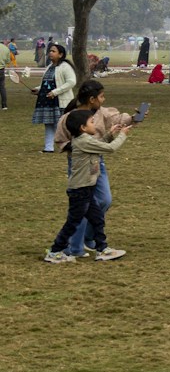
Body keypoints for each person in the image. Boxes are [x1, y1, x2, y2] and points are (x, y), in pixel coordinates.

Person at [45, 109, 129, 262]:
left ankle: (102, 249)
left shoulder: (84, 140)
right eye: (92, 122)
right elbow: (110, 148)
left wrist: (110, 134)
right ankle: (55, 251)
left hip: (86, 189)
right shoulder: (83, 141)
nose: (95, 125)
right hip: (80, 191)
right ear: (82, 128)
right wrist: (122, 134)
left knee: (97, 219)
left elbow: (99, 144)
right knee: (73, 223)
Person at [36, 43, 77, 153]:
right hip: (47, 101)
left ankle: (71, 145)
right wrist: (38, 90)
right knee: (48, 123)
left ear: (60, 54)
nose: (50, 53)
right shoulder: (49, 67)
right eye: (50, 51)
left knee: (61, 125)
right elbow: (47, 83)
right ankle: (48, 148)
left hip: (60, 101)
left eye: (53, 51)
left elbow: (71, 82)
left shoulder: (65, 67)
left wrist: (55, 92)